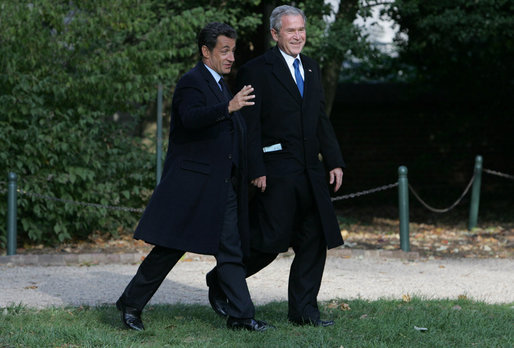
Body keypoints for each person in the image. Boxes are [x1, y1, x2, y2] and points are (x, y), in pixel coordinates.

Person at [115, 22, 272, 332]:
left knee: (230, 250)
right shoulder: (192, 82)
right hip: (191, 186)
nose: (230, 57)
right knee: (170, 249)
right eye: (224, 51)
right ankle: (130, 305)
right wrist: (228, 106)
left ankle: (241, 316)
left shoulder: (220, 84)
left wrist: (251, 168)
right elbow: (191, 118)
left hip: (221, 186)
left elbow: (233, 134)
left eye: (232, 51)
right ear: (206, 51)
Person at [206, 5, 345, 327]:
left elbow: (320, 118)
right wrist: (256, 168)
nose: (297, 36)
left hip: (311, 172)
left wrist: (335, 160)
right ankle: (222, 279)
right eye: (290, 31)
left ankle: (304, 312)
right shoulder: (257, 70)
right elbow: (248, 125)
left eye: (301, 30)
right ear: (275, 34)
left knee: (314, 239)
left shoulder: (311, 68)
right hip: (275, 170)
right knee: (270, 241)